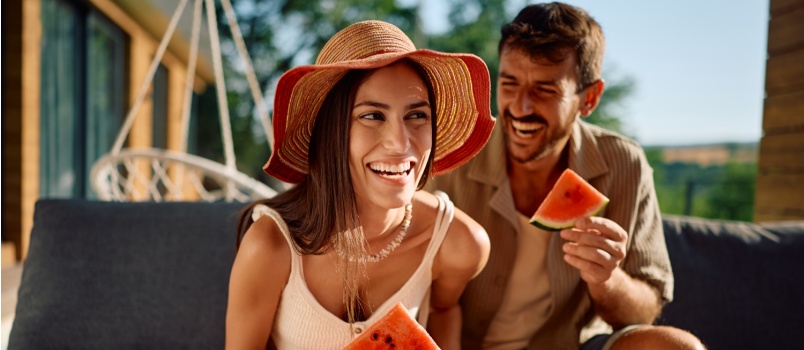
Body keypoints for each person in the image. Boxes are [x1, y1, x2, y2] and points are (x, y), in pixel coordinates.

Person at [430, 3, 706, 350]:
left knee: (679, 347)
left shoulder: (624, 164)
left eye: (545, 90)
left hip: (566, 345)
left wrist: (606, 279)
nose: (520, 107)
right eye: (509, 83)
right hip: (453, 343)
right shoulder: (454, 154)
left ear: (589, 98)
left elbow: (644, 310)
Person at [225, 20, 496, 350]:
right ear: (331, 133)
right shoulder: (271, 246)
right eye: (373, 116)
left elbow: (444, 309)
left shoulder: (458, 244)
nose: (400, 143)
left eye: (417, 116)